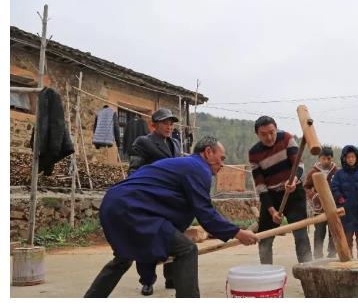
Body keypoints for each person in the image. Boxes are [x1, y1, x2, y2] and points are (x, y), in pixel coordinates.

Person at [84, 136, 258, 298]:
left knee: (123, 259)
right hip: (132, 209)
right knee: (187, 250)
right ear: (208, 152)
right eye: (222, 158)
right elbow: (205, 212)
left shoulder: (184, 165)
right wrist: (238, 233)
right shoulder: (199, 168)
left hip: (114, 205)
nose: (222, 164)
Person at [127, 108, 182, 295]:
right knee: (147, 239)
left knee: (173, 238)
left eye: (171, 123)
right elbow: (133, 170)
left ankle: (171, 277)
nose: (169, 126)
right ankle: (147, 280)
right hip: (150, 199)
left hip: (171, 199)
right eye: (165, 123)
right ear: (154, 125)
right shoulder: (143, 142)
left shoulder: (175, 144)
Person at [249, 116, 312, 264]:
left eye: (271, 132)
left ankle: (308, 270)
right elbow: (260, 186)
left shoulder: (287, 139)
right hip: (271, 196)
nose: (269, 137)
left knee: (300, 234)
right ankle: (266, 273)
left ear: (276, 128)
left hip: (293, 192)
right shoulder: (254, 153)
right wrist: (272, 211)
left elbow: (299, 165)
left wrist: (293, 181)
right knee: (264, 238)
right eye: (263, 134)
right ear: (257, 135)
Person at [331, 145, 358, 259]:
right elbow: (334, 188)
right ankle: (348, 262)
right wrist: (341, 200)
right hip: (345, 212)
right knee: (346, 240)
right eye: (348, 157)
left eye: (353, 157)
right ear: (344, 158)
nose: (351, 159)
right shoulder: (339, 174)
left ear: (357, 158)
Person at [303, 146, 338, 259]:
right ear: (319, 158)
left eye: (328, 158)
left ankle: (332, 254)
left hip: (333, 207)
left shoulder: (336, 171)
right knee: (319, 232)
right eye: (323, 158)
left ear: (332, 158)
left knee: (334, 232)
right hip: (319, 208)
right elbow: (306, 187)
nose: (326, 161)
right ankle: (318, 255)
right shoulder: (313, 171)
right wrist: (314, 196)